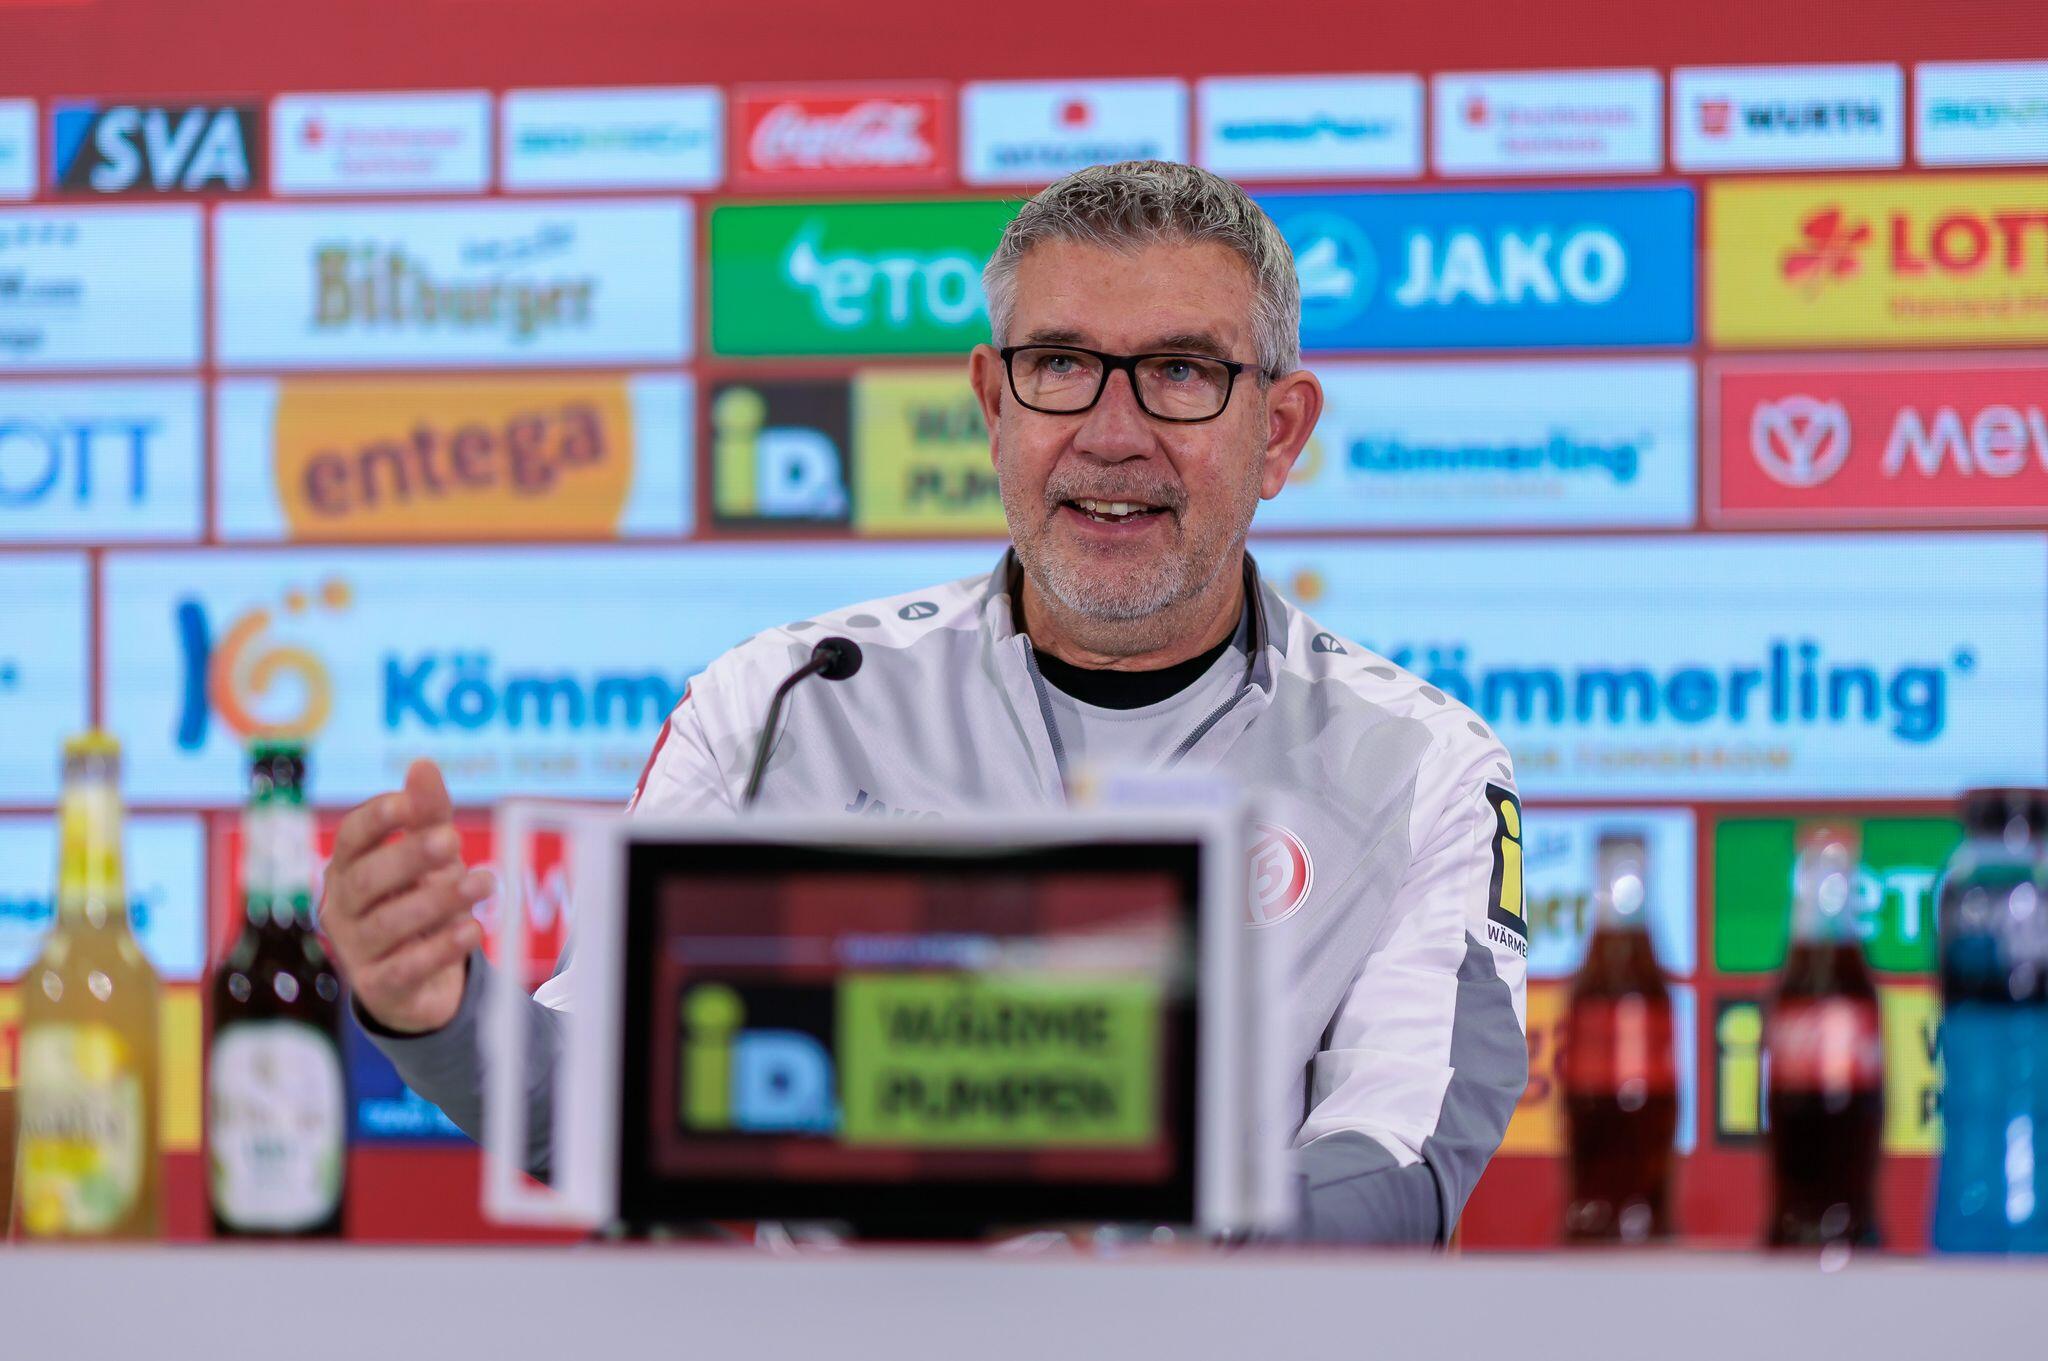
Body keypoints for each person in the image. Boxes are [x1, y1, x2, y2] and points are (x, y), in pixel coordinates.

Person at [318, 161, 1529, 1246]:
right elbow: (595, 1100)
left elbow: (1403, 1160)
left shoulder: (1419, 766)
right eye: (1059, 366)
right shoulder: (785, 705)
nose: (1111, 435)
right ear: (993, 406)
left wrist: (1152, 1257)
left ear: (1278, 431)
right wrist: (440, 1010)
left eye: (1178, 373)